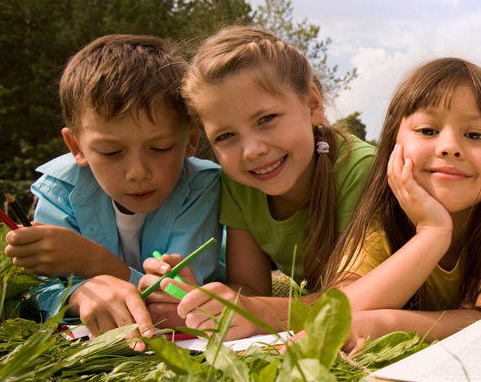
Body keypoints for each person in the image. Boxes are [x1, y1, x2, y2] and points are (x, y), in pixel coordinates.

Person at [140, 26, 374, 336]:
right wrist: (199, 300)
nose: (252, 151)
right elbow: (250, 288)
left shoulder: (360, 169)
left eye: (266, 119)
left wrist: (257, 312)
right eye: (226, 136)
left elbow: (357, 299)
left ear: (312, 104)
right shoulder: (239, 183)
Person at [321, 57, 481, 347]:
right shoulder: (385, 209)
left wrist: (387, 324)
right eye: (427, 130)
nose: (450, 148)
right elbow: (338, 312)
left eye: (474, 135)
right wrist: (433, 232)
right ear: (394, 143)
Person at [4, 35, 223, 346]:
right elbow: (36, 290)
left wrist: (95, 263)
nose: (137, 173)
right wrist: (79, 295)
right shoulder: (59, 188)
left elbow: (176, 296)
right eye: (110, 152)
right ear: (76, 147)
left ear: (190, 141)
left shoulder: (203, 186)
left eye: (159, 148)